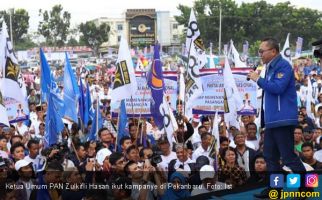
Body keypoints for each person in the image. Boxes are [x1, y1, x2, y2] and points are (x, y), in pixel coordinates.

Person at [248, 37, 307, 198]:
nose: (259, 54)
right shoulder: (268, 67)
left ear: (273, 51)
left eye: (262, 51)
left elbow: (278, 88)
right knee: (270, 156)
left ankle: (307, 187)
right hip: (272, 120)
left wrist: (257, 79)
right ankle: (276, 189)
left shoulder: (283, 66)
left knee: (288, 157)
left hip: (282, 119)